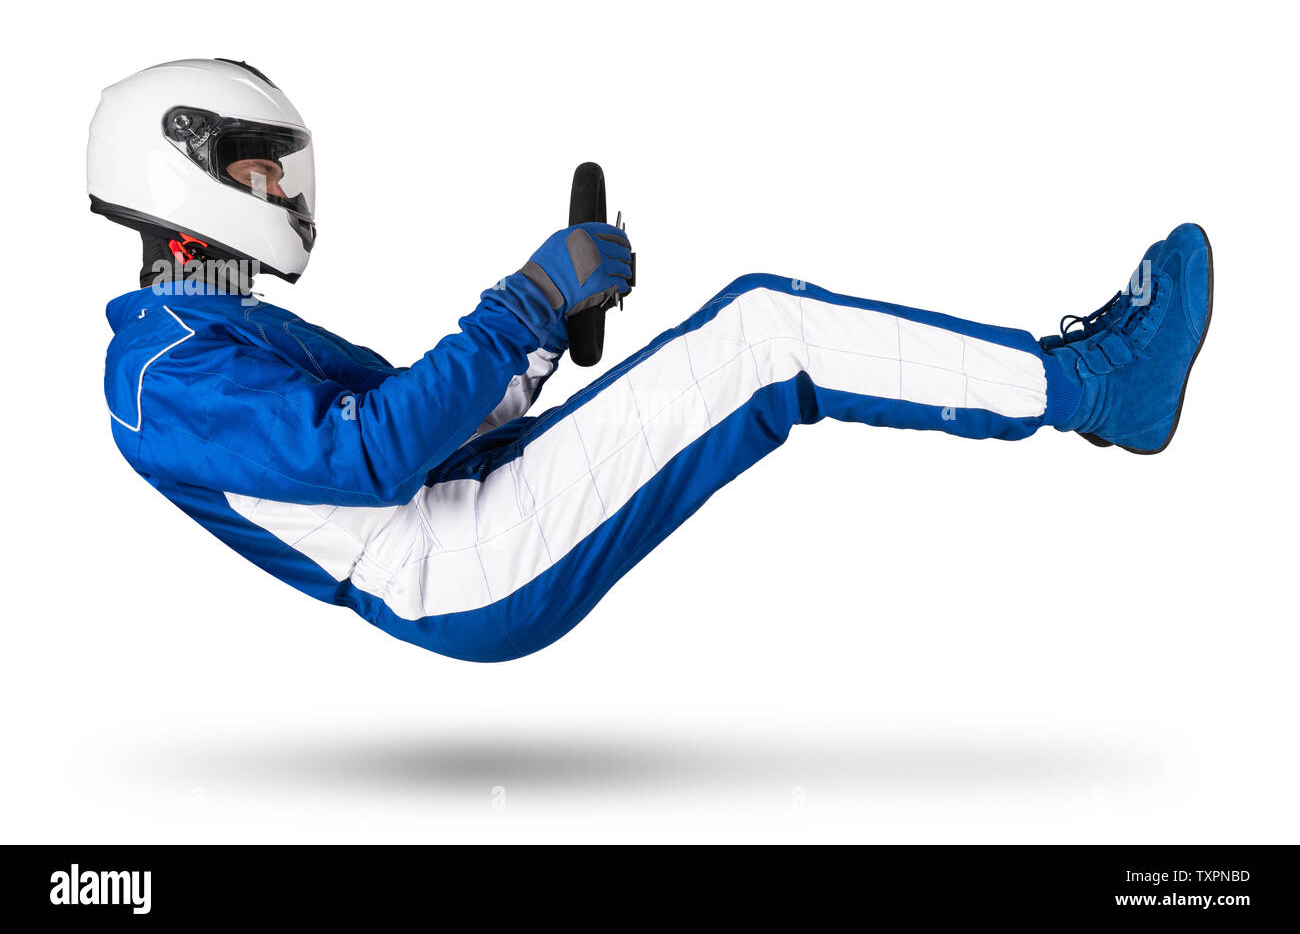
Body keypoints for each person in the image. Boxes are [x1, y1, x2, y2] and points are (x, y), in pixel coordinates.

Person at [89, 59, 1213, 662]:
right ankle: (1100, 386)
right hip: (467, 566)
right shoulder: (157, 380)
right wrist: (525, 296)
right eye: (257, 171)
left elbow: (403, 421)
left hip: (476, 515)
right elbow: (379, 455)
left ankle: (1091, 384)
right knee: (768, 332)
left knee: (764, 330)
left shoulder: (214, 334)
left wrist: (534, 343)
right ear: (180, 172)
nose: (281, 192)